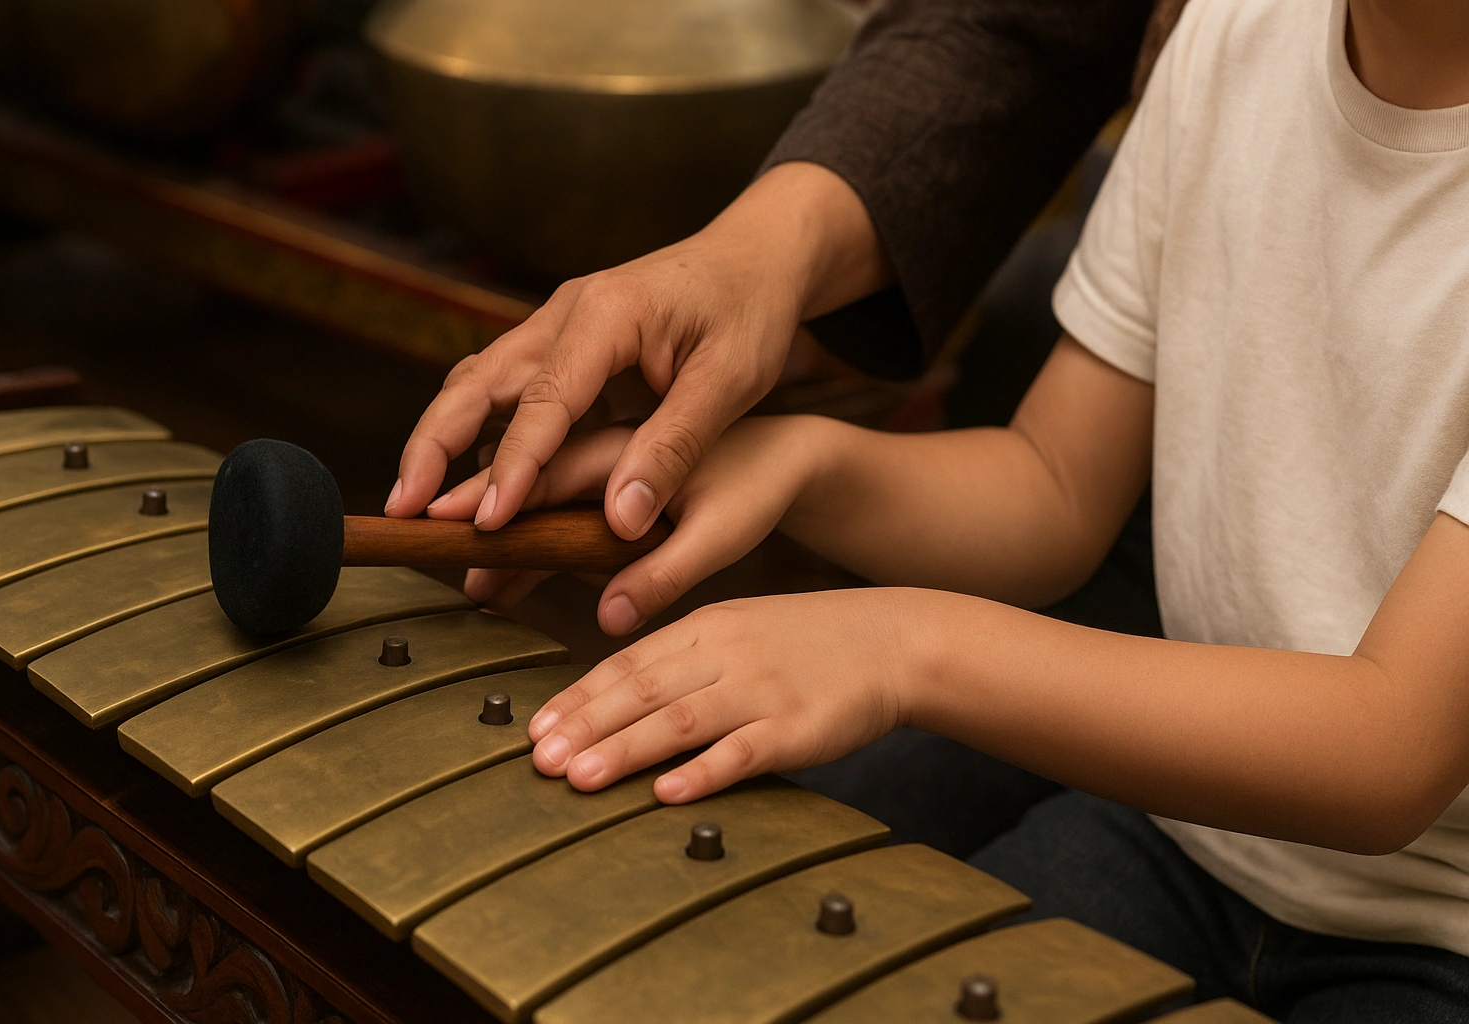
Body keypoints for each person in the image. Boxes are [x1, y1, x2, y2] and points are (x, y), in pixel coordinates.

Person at [422, 0, 1469, 1018]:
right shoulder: (1228, 31)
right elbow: (1055, 485)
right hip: (1191, 840)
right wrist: (797, 464)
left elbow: (1390, 750)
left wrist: (900, 649)